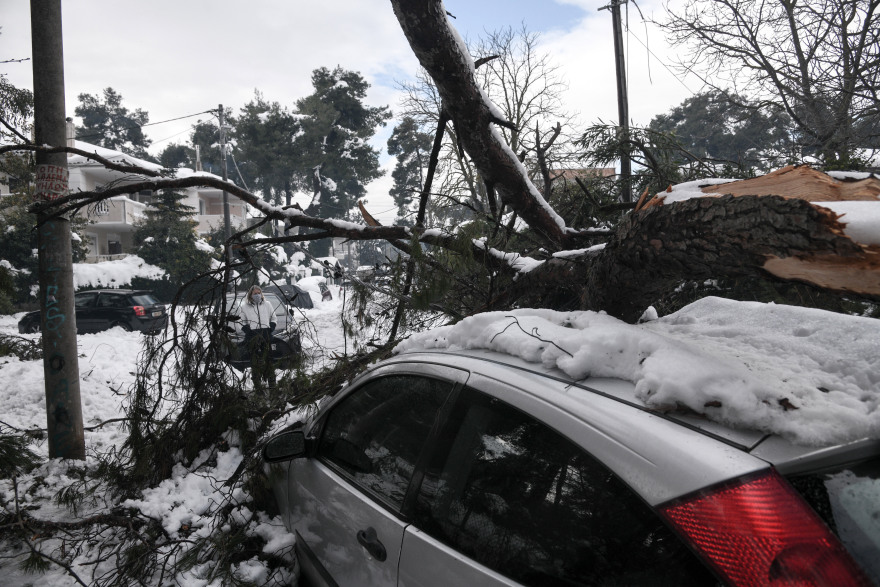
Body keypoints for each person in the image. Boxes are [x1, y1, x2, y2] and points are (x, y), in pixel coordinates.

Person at [238, 285, 276, 391]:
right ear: (250, 294)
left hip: (266, 336)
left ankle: (272, 386)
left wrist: (271, 328)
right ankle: (258, 388)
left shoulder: (267, 304)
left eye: (259, 293)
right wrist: (248, 331)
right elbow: (241, 321)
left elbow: (273, 318)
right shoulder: (244, 307)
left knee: (269, 362)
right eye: (255, 293)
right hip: (252, 338)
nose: (257, 295)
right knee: (255, 364)